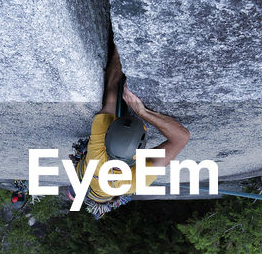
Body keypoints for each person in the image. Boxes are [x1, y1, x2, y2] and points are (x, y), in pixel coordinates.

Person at [73, 40, 190, 212]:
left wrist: (122, 39)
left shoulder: (98, 154)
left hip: (90, 178)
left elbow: (112, 87)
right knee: (93, 196)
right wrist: (142, 112)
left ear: (107, 135)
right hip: (95, 186)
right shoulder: (131, 181)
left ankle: (82, 195)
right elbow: (181, 137)